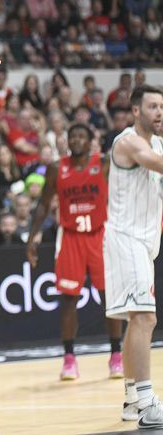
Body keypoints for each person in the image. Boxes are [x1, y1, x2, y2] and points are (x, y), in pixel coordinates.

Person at [27, 122, 124, 382]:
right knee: (69, 300)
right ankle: (69, 359)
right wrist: (32, 238)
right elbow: (43, 205)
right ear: (67, 141)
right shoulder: (57, 168)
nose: (77, 140)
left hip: (100, 236)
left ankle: (116, 354)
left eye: (83, 135)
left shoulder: (103, 163)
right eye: (73, 136)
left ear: (91, 140)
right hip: (70, 238)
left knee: (110, 297)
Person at [101, 86, 163, 427]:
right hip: (127, 239)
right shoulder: (127, 141)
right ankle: (147, 401)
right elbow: (153, 163)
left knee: (136, 320)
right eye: (152, 106)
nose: (159, 112)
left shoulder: (157, 142)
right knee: (145, 318)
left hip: (144, 243)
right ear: (135, 110)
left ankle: (131, 399)